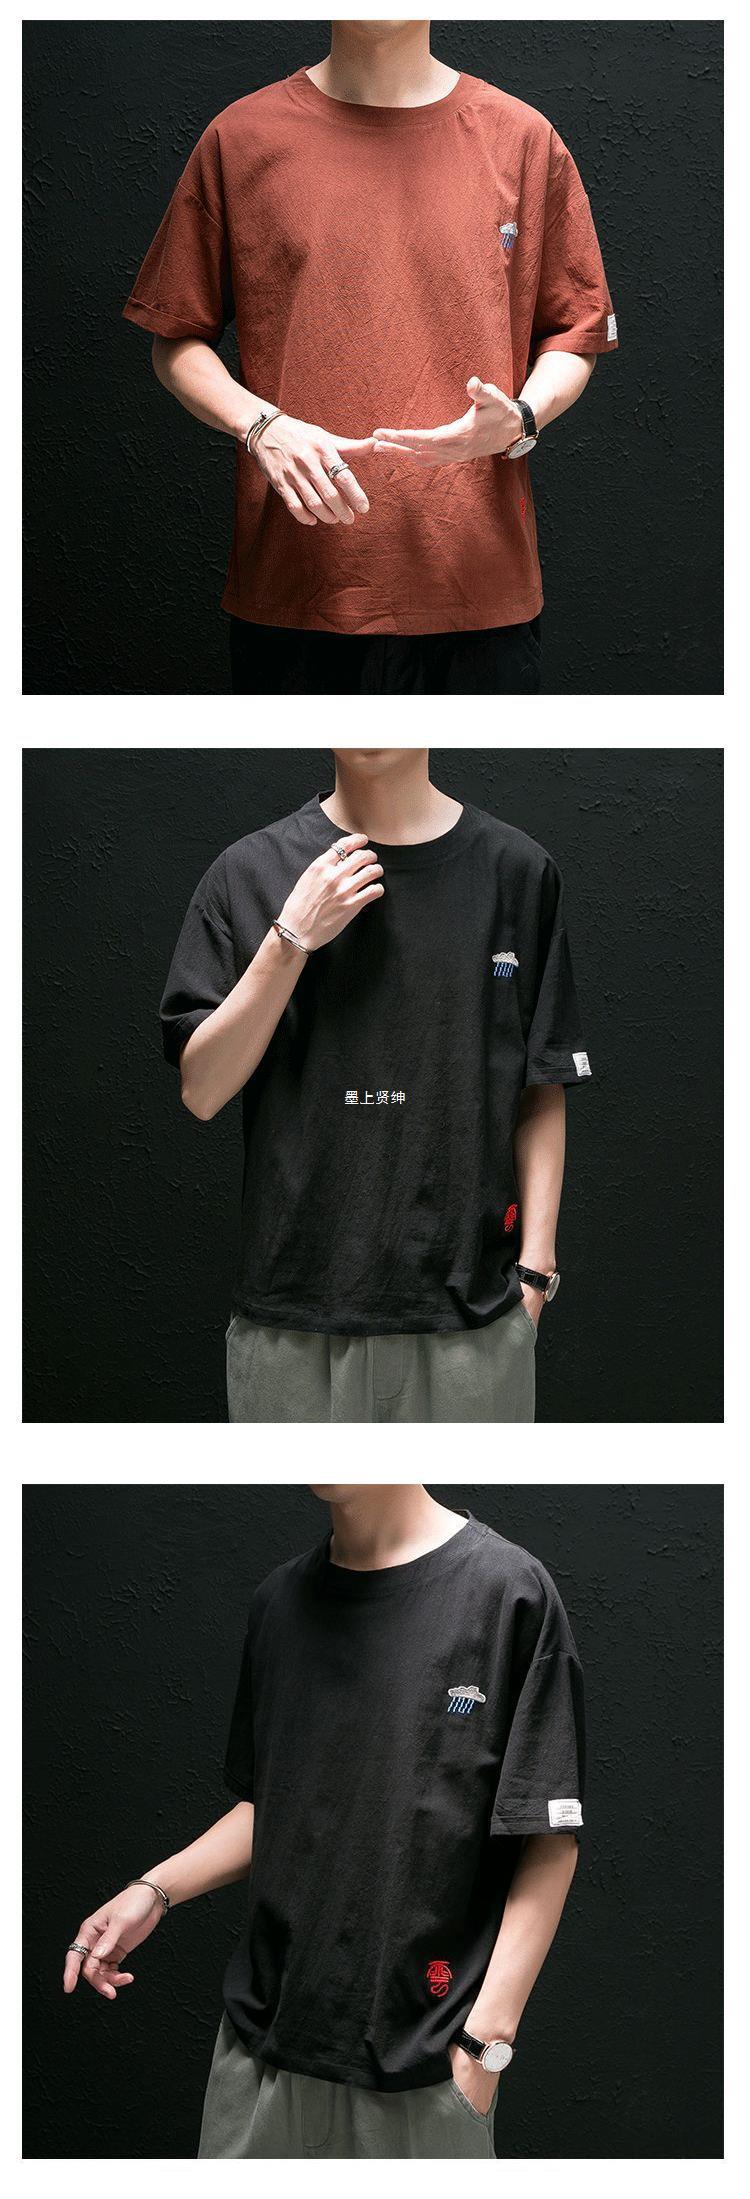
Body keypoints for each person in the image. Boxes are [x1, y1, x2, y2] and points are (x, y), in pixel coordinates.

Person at [63, 1484, 585, 2161]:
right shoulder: (278, 1602)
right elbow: (275, 1803)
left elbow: (545, 1833)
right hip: (258, 2059)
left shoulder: (508, 1591)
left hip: (424, 2068)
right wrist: (155, 1889)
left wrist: (486, 2043)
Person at [123, 19, 618, 696]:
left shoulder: (523, 138)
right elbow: (176, 337)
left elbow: (574, 333)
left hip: (476, 588)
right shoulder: (241, 138)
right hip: (297, 587)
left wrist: (522, 416)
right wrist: (262, 427)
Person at [159, 748, 592, 1425]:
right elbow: (202, 1089)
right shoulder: (249, 871)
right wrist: (291, 938)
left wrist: (535, 1275)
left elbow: (541, 1085)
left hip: (474, 1326)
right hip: (291, 1326)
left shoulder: (517, 872)